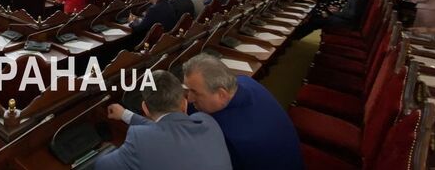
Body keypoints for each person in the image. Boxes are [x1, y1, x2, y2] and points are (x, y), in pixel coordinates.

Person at [183, 54, 303, 170]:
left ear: (221, 94)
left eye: (195, 92)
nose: (190, 98)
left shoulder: (225, 134)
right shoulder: (245, 81)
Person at [97, 70, 232, 170]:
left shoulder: (139, 139)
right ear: (184, 103)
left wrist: (106, 150)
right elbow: (169, 127)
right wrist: (125, 115)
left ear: (145, 108)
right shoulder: (207, 122)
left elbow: (102, 166)